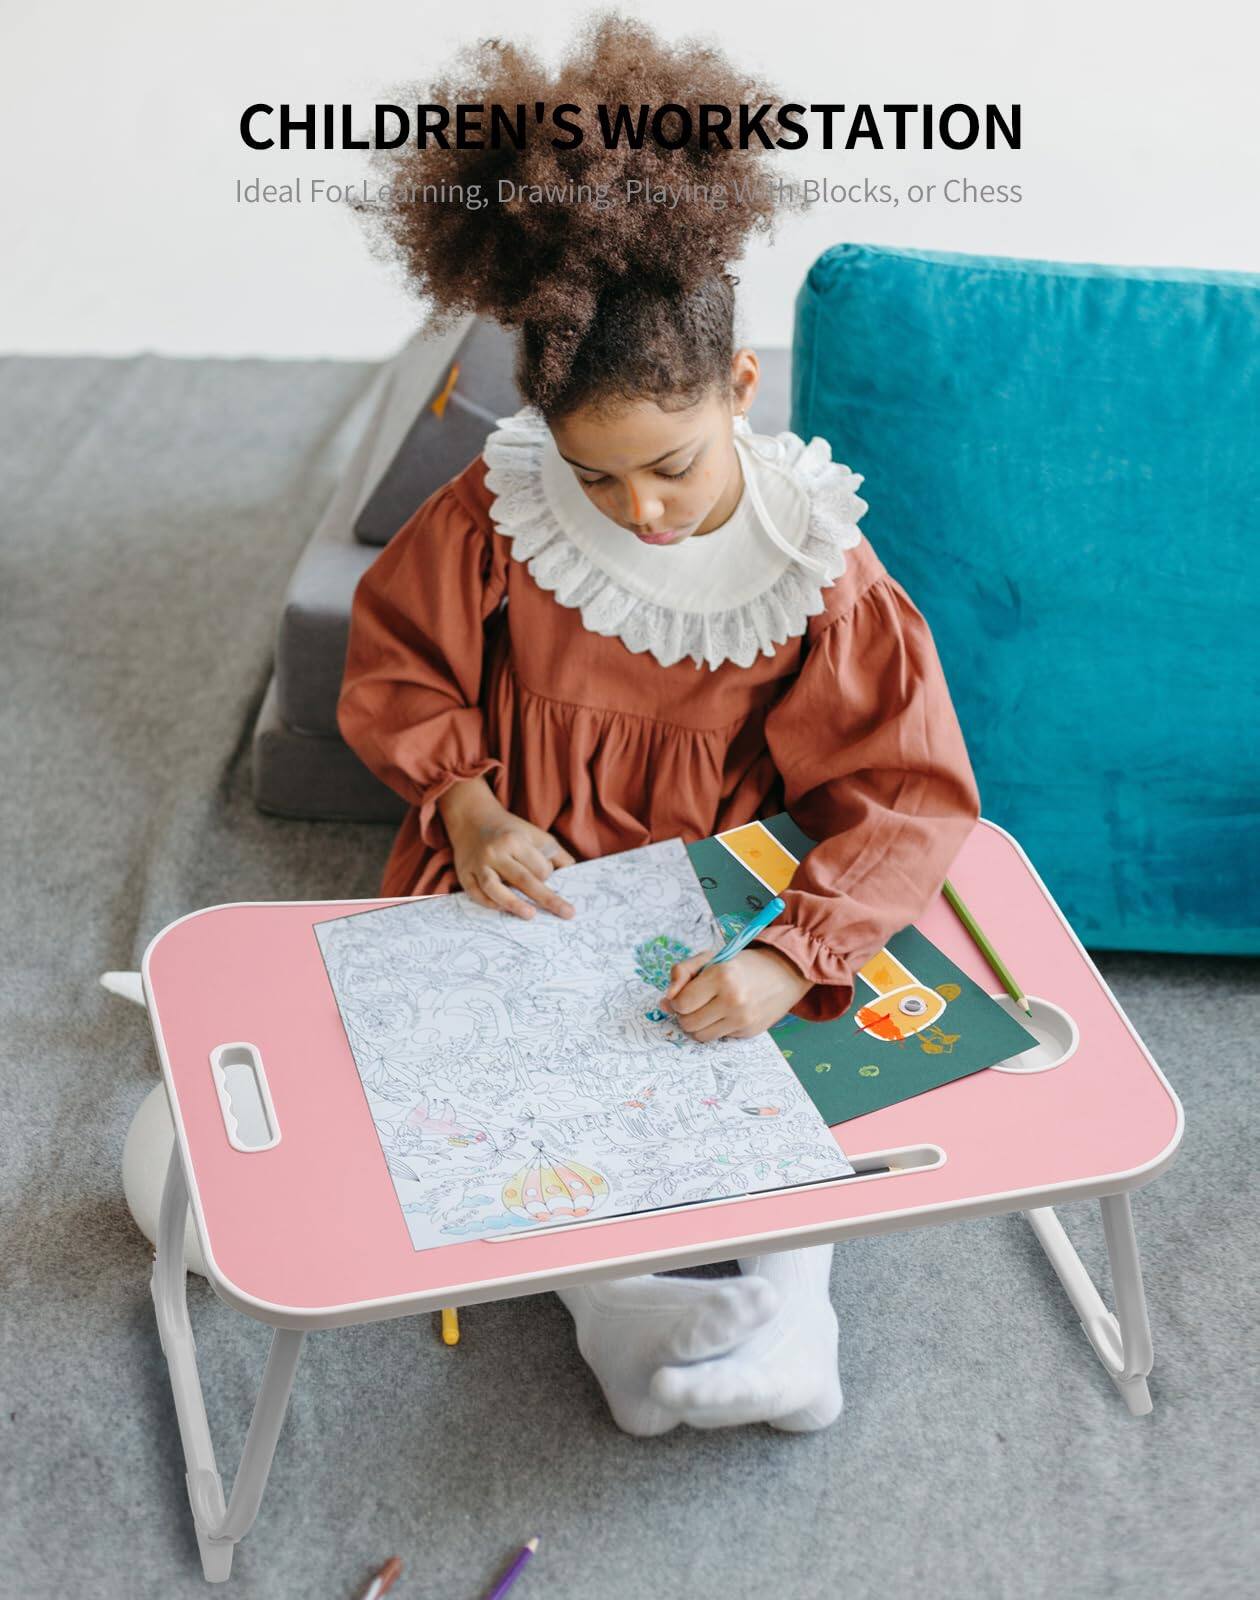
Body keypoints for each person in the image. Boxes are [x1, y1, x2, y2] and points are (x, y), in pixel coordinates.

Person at [338, 13, 980, 1435]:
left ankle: (781, 1315)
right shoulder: (499, 515)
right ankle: (640, 1337)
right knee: (519, 1116)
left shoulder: (820, 569)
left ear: (742, 387)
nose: (636, 511)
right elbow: (398, 671)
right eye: (596, 473)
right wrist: (466, 801)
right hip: (531, 875)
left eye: (671, 469)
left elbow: (906, 796)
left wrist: (789, 952)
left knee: (781, 1084)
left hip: (724, 883)